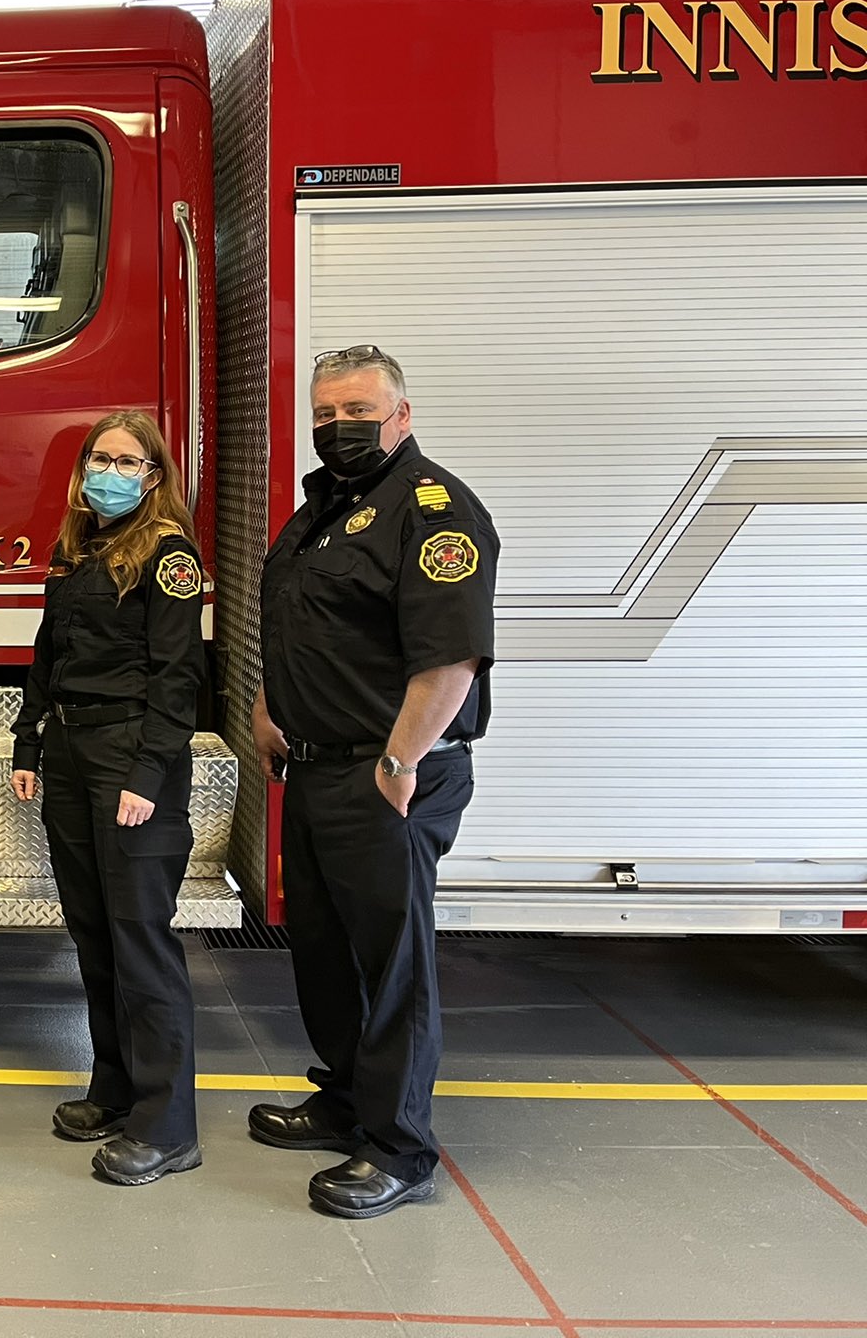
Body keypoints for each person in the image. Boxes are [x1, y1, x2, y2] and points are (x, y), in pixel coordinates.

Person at [249, 344, 498, 1219]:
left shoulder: (433, 511)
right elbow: (298, 623)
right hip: (319, 767)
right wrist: (268, 704)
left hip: (387, 775)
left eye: (357, 411)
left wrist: (398, 762)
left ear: (401, 414)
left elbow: (451, 657)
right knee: (325, 953)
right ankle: (347, 1100)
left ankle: (399, 1147)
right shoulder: (324, 508)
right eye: (325, 414)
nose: (338, 427)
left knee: (392, 967)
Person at [10, 410, 208, 1187]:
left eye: (128, 462)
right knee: (94, 936)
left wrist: (148, 776)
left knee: (140, 942)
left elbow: (179, 676)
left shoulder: (168, 555)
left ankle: (168, 1128)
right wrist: (29, 743)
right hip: (69, 748)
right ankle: (116, 1089)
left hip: (130, 755)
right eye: (100, 458)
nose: (109, 473)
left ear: (154, 476)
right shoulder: (77, 548)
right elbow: (47, 654)